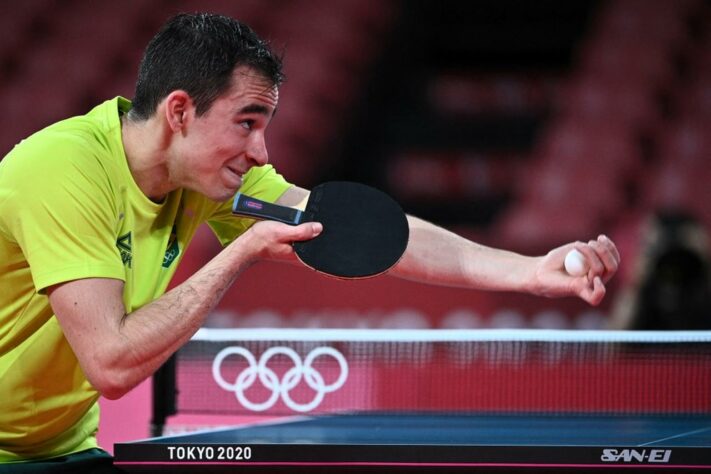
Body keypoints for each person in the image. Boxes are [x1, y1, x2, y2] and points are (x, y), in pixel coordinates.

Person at [0, 12, 620, 471]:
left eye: (265, 127)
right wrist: (238, 253)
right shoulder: (66, 170)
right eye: (246, 123)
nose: (261, 152)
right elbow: (110, 362)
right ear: (180, 111)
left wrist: (528, 272)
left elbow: (374, 235)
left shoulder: (208, 176)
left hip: (60, 446)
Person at [609, 209, 711, 330]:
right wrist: (635, 285)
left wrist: (703, 262)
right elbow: (612, 341)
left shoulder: (701, 286)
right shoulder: (644, 292)